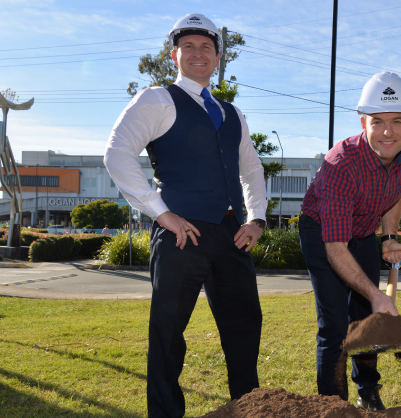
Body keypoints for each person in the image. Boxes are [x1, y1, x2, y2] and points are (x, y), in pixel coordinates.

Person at [103, 13, 268, 418]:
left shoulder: (232, 113)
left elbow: (251, 169)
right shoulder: (156, 99)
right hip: (182, 233)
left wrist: (256, 219)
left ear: (217, 58)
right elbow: (117, 154)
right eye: (189, 47)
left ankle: (246, 409)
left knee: (245, 327)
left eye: (207, 47)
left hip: (232, 234)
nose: (199, 54)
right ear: (174, 55)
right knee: (168, 332)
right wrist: (162, 214)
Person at [298, 72, 401, 411]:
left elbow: (396, 192)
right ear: (363, 121)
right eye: (377, 121)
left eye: (397, 121)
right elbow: (336, 247)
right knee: (335, 324)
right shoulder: (340, 165)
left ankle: (367, 390)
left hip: (364, 231)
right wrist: (377, 294)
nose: (387, 132)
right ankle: (333, 405)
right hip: (323, 234)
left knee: (364, 319)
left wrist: (390, 236)